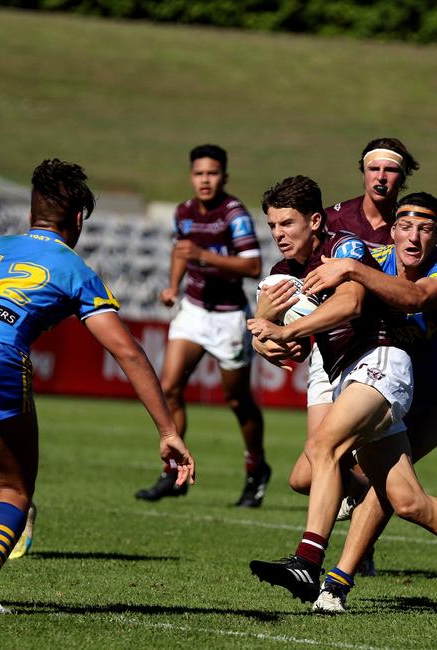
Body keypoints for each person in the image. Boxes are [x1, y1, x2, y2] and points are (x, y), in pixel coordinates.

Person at [248, 187, 437, 624]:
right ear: (392, 232)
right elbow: (298, 311)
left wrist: (350, 269)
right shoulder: (375, 257)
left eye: (425, 229)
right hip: (384, 377)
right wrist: (266, 335)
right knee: (399, 498)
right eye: (405, 227)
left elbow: (413, 299)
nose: (414, 237)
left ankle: (328, 577)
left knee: (336, 457)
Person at [0, 159, 195, 614]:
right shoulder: (74, 269)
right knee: (13, 489)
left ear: (30, 214)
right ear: (79, 219)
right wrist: (167, 431)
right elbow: (127, 352)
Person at [256, 138, 418, 575]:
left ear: (402, 178)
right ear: (363, 173)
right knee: (304, 476)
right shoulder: (327, 224)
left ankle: (314, 559)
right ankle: (370, 498)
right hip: (330, 356)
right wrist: (265, 339)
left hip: (377, 350)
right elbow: (264, 326)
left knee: (326, 449)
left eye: (391, 170)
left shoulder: (404, 227)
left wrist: (285, 330)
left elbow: (358, 301)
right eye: (374, 169)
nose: (278, 234)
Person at [135, 144, 267, 507]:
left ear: (224, 176)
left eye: (212, 173)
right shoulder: (184, 212)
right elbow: (182, 251)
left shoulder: (234, 214)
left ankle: (257, 467)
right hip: (193, 310)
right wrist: (173, 287)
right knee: (169, 388)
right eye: (199, 173)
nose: (205, 180)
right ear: (191, 176)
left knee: (237, 399)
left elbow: (253, 266)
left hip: (228, 317)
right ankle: (173, 473)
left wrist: (204, 256)